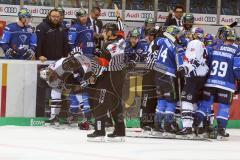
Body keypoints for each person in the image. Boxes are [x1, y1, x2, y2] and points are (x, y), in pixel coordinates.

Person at [194, 28, 240, 139]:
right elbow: (237, 68)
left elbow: (206, 63)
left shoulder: (214, 47)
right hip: (226, 84)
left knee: (204, 104)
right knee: (224, 107)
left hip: (210, 82)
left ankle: (194, 126)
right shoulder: (237, 50)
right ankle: (220, 131)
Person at [87, 23, 126, 142]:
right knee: (116, 103)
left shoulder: (107, 46)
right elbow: (122, 31)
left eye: (105, 31)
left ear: (110, 32)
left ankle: (99, 131)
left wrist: (93, 77)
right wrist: (119, 18)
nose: (103, 33)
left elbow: (102, 65)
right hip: (120, 75)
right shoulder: (122, 40)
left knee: (100, 101)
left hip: (109, 76)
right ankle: (120, 131)